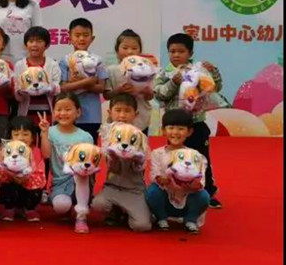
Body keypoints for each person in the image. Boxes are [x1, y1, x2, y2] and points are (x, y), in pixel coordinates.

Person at [153, 33, 225, 209]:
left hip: (196, 123)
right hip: (175, 126)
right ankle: (174, 191)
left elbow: (214, 87)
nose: (176, 55)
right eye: (172, 51)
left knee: (201, 158)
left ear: (190, 53)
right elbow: (159, 94)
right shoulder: (164, 73)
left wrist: (213, 72)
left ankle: (206, 192)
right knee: (174, 158)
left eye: (181, 51)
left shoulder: (199, 71)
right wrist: (173, 82)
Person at [91, 95, 152, 232]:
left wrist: (136, 158)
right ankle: (115, 210)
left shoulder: (140, 136)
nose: (122, 115)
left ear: (135, 114)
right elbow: (110, 165)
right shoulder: (107, 135)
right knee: (97, 205)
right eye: (118, 110)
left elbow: (141, 166)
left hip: (134, 189)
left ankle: (129, 212)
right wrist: (113, 156)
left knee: (142, 226)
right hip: (113, 186)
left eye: (127, 111)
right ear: (110, 112)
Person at [146, 109, 210, 234]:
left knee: (203, 196)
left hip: (187, 196)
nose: (175, 132)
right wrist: (161, 179)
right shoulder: (157, 153)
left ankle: (190, 219)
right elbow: (154, 173)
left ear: (189, 132)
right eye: (170, 128)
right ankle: (161, 217)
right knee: (152, 192)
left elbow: (201, 179)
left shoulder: (195, 155)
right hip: (166, 195)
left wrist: (195, 185)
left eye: (181, 129)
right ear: (163, 131)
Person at [40, 93, 94, 233]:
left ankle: (81, 217)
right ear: (53, 112)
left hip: (80, 180)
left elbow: (90, 163)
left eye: (68, 109)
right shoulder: (50, 132)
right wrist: (44, 134)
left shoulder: (85, 136)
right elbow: (46, 154)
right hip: (60, 182)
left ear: (78, 112)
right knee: (61, 206)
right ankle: (65, 206)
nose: (63, 113)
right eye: (59, 109)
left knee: (81, 179)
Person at [59, 18, 108, 143]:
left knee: (89, 148)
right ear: (69, 37)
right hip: (69, 115)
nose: (81, 39)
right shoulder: (65, 61)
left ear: (92, 38)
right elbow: (63, 88)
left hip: (92, 115)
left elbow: (101, 88)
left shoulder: (98, 60)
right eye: (77, 35)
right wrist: (87, 82)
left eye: (86, 35)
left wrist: (77, 83)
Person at [0, 116, 45, 223]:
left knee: (36, 191)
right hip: (11, 184)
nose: (21, 138)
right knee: (6, 187)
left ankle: (30, 209)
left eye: (25, 134)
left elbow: (40, 173)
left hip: (29, 185)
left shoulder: (35, 151)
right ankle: (9, 208)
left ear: (33, 137)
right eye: (16, 134)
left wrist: (26, 178)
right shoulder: (5, 151)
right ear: (10, 136)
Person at [104, 29, 153, 133]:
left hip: (141, 120)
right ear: (117, 50)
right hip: (117, 120)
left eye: (134, 48)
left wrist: (140, 90)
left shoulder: (146, 71)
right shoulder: (111, 70)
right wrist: (119, 90)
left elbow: (150, 96)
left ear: (140, 51)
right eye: (125, 48)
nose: (130, 52)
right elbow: (106, 95)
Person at [14, 26, 61, 124]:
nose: (34, 45)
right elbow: (17, 94)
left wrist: (47, 87)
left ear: (47, 45)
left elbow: (57, 90)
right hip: (26, 114)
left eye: (39, 41)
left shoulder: (53, 64)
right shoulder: (19, 65)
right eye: (31, 41)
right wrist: (21, 91)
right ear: (25, 45)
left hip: (47, 114)